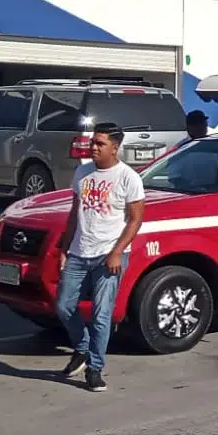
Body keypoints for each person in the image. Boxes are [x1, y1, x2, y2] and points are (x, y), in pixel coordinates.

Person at [54, 122, 146, 392]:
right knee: (63, 305)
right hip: (80, 252)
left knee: (101, 314)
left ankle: (95, 369)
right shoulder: (83, 172)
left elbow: (135, 220)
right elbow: (74, 213)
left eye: (100, 143)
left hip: (109, 256)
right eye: (93, 142)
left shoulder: (128, 178)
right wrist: (64, 248)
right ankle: (81, 348)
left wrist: (117, 252)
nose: (93, 147)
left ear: (115, 148)